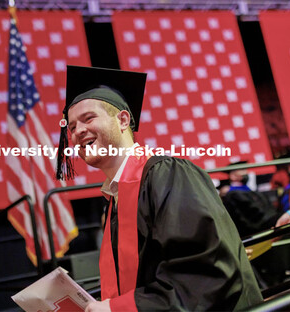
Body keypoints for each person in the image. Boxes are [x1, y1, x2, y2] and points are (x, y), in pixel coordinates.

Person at [56, 66, 263, 311]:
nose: (77, 131)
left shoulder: (169, 174)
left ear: (123, 120)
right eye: (70, 127)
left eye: (88, 118)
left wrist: (115, 309)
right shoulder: (114, 198)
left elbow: (204, 275)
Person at [220, 161, 280, 237]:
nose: (246, 172)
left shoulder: (248, 190)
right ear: (232, 175)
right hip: (253, 230)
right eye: (242, 170)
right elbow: (250, 215)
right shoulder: (232, 194)